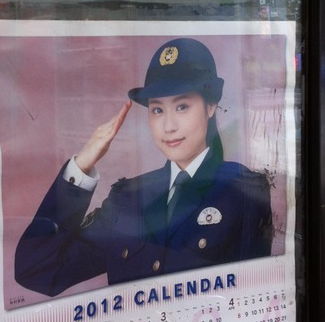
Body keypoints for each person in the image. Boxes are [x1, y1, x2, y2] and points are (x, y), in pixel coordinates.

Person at [14, 38, 273, 295]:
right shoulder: (128, 198)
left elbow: (250, 298)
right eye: (157, 110)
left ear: (211, 106)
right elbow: (37, 271)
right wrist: (81, 167)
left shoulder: (242, 191)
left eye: (182, 107)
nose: (168, 126)